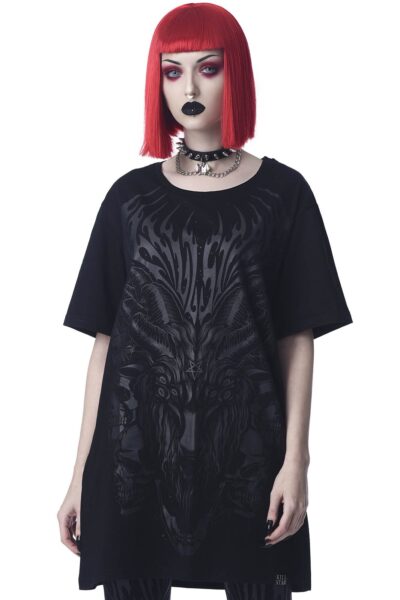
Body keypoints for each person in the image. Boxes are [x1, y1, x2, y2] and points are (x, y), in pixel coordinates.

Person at [57, 3, 353, 598]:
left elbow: (296, 338)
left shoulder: (284, 194)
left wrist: (297, 461)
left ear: (234, 73)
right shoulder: (128, 200)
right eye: (173, 71)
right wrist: (79, 475)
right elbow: (105, 345)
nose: (189, 88)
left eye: (207, 68)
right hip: (132, 463)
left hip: (248, 461)